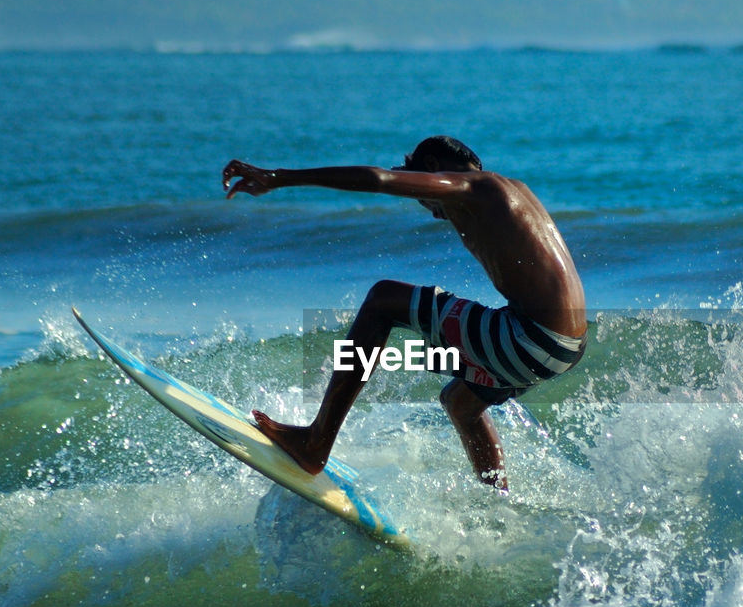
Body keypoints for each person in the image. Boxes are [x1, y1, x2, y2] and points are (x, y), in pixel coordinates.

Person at [222, 136, 586, 491]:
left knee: (383, 300)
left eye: (426, 199)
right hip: (564, 347)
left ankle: (316, 443)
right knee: (461, 403)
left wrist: (281, 177)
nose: (432, 211)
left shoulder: (472, 186)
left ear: (433, 169)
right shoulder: (511, 190)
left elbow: (379, 179)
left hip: (529, 338)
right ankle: (499, 500)